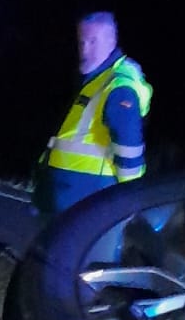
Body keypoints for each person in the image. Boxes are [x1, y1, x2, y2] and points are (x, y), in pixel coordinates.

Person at [34, 11, 152, 215]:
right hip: (67, 200)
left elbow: (128, 150)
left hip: (87, 203)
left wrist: (131, 199)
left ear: (111, 41)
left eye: (92, 42)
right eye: (81, 42)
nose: (84, 50)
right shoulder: (97, 79)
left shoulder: (119, 87)